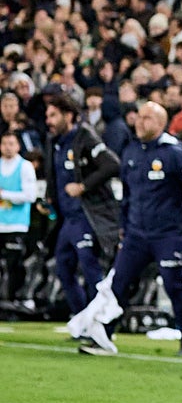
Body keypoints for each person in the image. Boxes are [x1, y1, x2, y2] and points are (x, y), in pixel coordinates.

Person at [79, 102, 182, 358]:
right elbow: (128, 195)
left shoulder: (174, 153)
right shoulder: (131, 152)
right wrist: (123, 226)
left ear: (161, 123)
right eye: (139, 117)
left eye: (147, 118)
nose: (140, 122)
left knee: (173, 286)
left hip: (168, 234)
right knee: (118, 284)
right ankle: (104, 337)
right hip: (136, 234)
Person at [43, 97, 121, 317]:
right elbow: (55, 175)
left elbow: (112, 164)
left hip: (87, 215)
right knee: (63, 270)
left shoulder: (84, 137)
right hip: (67, 219)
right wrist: (51, 197)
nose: (48, 121)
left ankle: (101, 321)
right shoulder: (53, 141)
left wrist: (83, 186)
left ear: (68, 116)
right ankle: (83, 318)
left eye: (53, 115)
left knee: (90, 267)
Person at [0, 131, 38, 303]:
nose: (7, 147)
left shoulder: (25, 166)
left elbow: (30, 196)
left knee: (14, 265)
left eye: (11, 143)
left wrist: (5, 195)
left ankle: (14, 300)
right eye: (4, 143)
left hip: (16, 224)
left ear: (18, 146)